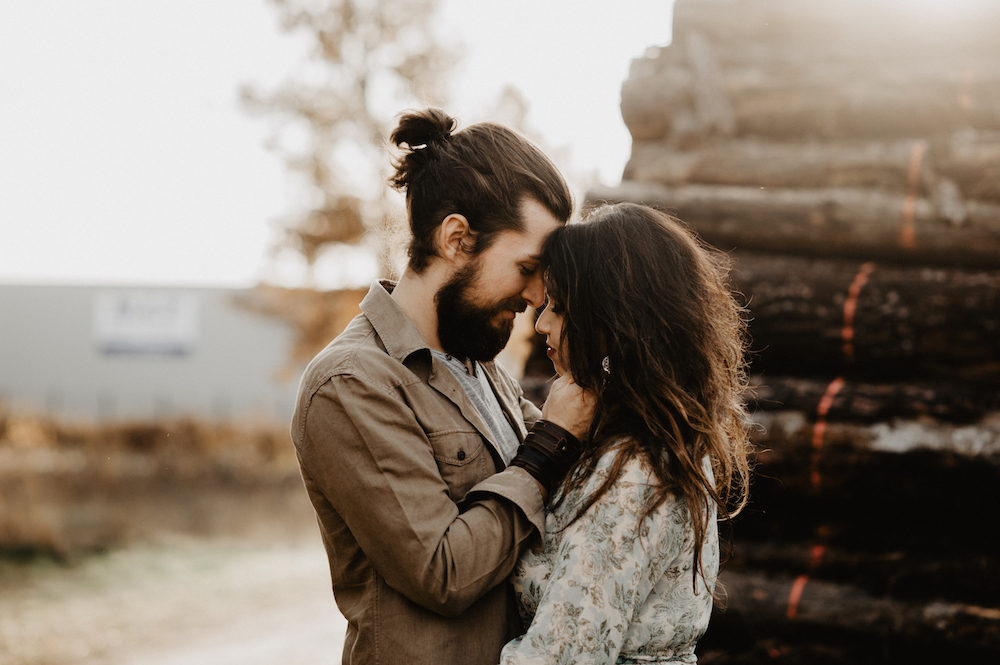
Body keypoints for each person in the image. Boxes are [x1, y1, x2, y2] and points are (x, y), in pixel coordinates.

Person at [290, 108, 595, 665]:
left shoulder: (483, 368)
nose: (535, 295)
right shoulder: (352, 383)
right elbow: (443, 573)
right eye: (526, 266)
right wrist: (548, 445)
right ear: (456, 239)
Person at [500, 203, 753, 665]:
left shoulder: (633, 472)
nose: (540, 323)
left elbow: (561, 657)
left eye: (559, 305)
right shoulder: (652, 442)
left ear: (613, 320)